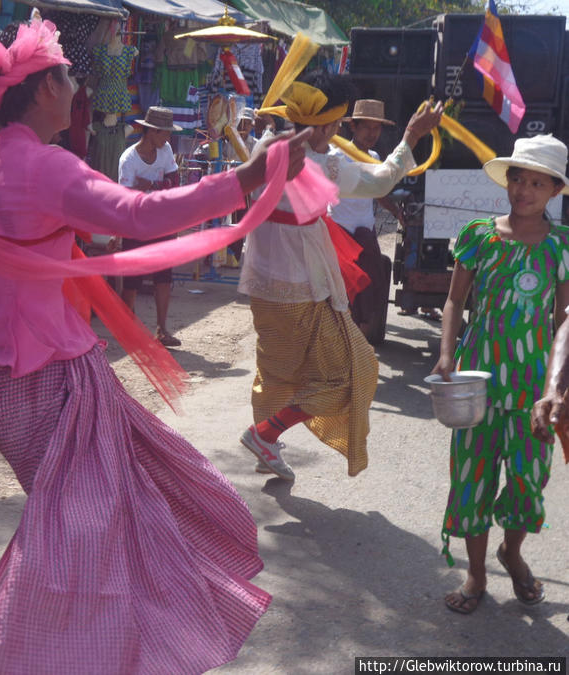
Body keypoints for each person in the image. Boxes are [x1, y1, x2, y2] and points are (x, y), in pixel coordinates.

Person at [0, 16, 312, 673]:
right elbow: (139, 216)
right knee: (82, 538)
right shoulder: (46, 167)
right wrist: (246, 177)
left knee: (96, 525)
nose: (80, 88)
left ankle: (110, 648)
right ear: (45, 90)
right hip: (50, 380)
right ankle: (31, 655)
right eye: (70, 76)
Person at [238, 70, 443, 480]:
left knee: (278, 372)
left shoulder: (268, 144)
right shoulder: (326, 165)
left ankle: (266, 443)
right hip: (302, 287)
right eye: (335, 123)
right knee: (356, 369)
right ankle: (265, 434)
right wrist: (411, 137)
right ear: (330, 123)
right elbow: (381, 180)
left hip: (261, 281)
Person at [431, 134, 569, 614]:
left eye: (537, 183)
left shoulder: (561, 247)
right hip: (477, 386)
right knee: (471, 480)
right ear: (506, 181)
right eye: (518, 179)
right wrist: (447, 353)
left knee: (528, 482)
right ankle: (475, 572)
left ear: (554, 191)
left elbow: (564, 320)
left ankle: (511, 551)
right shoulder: (478, 237)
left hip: (535, 392)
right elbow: (454, 301)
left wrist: (556, 387)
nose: (524, 190)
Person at [328, 99, 403, 341]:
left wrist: (396, 211)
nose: (372, 134)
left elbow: (378, 192)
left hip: (365, 232)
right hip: (339, 232)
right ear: (354, 128)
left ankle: (355, 345)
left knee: (372, 291)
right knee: (340, 294)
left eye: (376, 128)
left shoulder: (374, 156)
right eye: (366, 128)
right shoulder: (335, 157)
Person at [118, 105, 183, 347]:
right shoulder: (128, 159)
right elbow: (125, 197)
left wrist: (150, 187)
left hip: (162, 222)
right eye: (165, 133)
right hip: (137, 223)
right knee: (132, 278)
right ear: (152, 132)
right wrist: (158, 186)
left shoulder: (164, 150)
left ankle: (162, 329)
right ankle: (127, 329)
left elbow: (174, 182)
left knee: (163, 277)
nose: (168, 138)